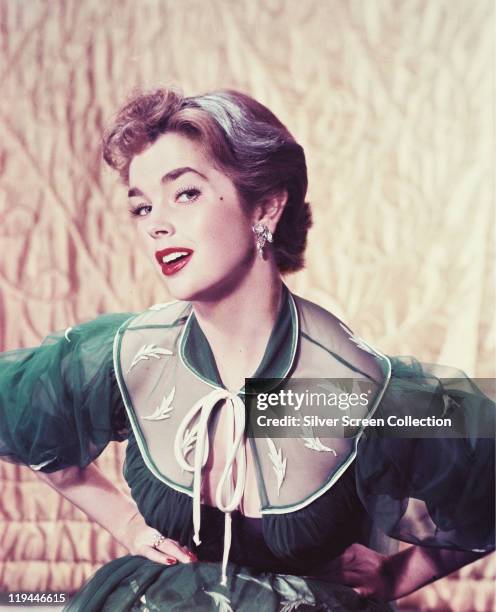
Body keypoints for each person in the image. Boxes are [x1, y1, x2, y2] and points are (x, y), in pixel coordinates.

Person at [0, 88, 494, 612]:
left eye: (185, 193)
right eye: (141, 207)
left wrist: (395, 578)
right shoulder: (133, 353)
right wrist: (126, 523)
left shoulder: (341, 385)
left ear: (266, 205)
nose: (156, 224)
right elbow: (29, 425)